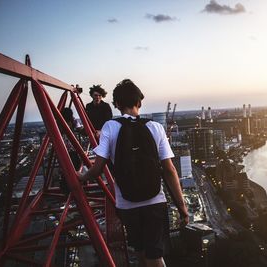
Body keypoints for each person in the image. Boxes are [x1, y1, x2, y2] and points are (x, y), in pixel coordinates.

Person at [79, 79, 189, 267]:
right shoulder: (155, 127)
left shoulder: (110, 127)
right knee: (155, 254)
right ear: (140, 102)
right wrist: (182, 207)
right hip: (155, 201)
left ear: (116, 105)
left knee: (140, 252)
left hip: (127, 205)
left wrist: (80, 177)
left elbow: (97, 169)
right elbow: (169, 170)